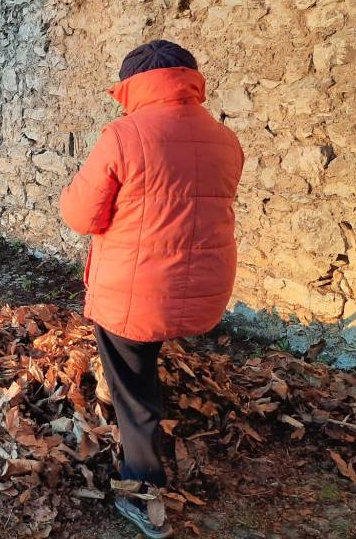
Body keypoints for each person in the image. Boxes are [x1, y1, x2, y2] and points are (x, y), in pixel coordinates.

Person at [59, 40, 243, 539]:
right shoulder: (225, 138)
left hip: (136, 290)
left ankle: (142, 489)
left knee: (134, 390)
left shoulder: (124, 134)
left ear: (132, 87)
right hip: (203, 289)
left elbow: (81, 215)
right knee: (145, 355)